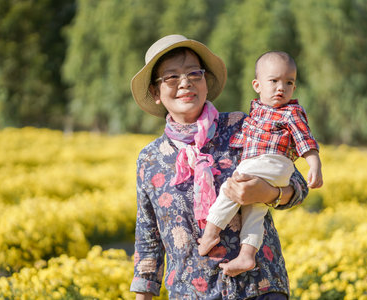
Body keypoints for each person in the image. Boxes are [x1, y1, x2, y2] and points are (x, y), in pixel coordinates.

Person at [130, 34, 309, 300]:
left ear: (205, 81)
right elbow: (149, 241)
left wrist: (268, 194)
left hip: (258, 287)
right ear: (156, 92)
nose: (185, 83)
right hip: (190, 294)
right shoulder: (151, 160)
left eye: (194, 73)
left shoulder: (244, 126)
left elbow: (298, 185)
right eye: (171, 77)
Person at [198, 51, 323, 278]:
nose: (281, 88)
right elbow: (247, 137)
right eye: (274, 81)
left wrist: (315, 165)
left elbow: (306, 141)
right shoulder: (255, 113)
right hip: (268, 166)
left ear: (294, 88)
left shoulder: (291, 112)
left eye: (289, 82)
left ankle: (211, 230)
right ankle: (247, 254)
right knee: (254, 211)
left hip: (271, 162)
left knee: (233, 186)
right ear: (257, 85)